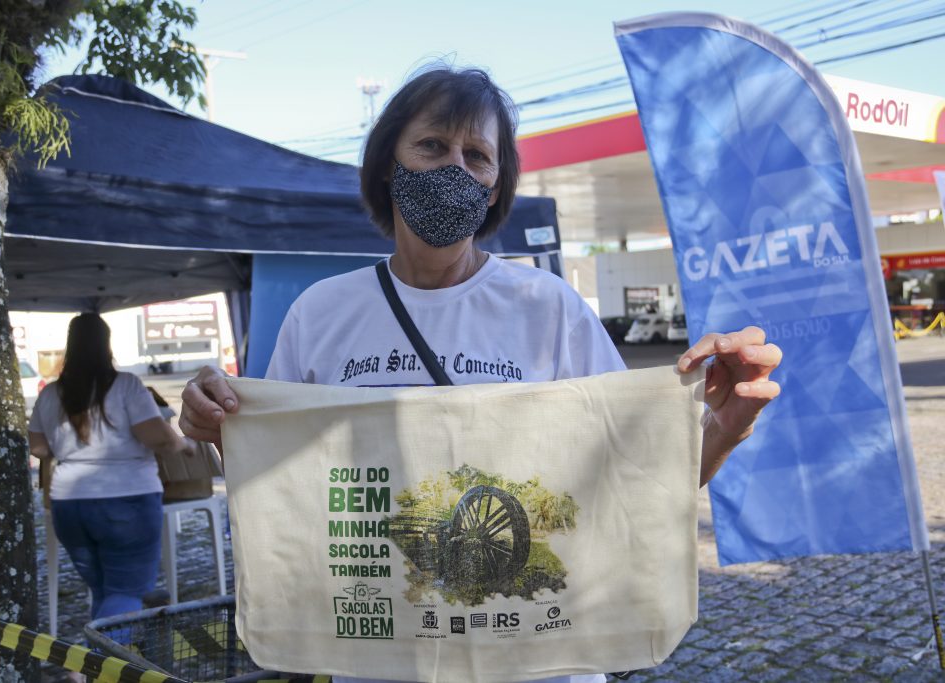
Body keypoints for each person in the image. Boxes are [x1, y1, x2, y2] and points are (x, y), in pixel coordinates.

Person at [179, 66, 782, 683]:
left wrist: (724, 428)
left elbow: (637, 481)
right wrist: (222, 427)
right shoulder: (321, 314)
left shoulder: (549, 308)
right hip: (384, 662)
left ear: (495, 188)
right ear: (388, 165)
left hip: (541, 665)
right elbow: (284, 490)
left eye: (476, 155)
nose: (454, 168)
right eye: (432, 145)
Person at [28, 313, 194, 621]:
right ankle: (92, 654)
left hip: (68, 503)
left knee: (105, 591)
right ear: (106, 345)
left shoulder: (50, 393)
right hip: (127, 499)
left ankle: (107, 650)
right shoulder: (126, 385)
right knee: (127, 592)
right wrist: (185, 445)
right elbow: (158, 437)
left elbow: (38, 449)